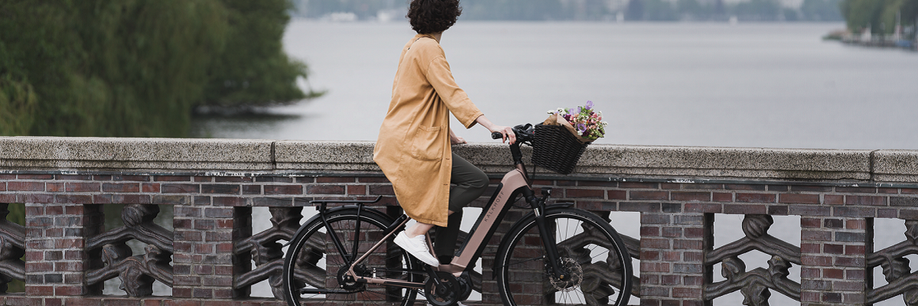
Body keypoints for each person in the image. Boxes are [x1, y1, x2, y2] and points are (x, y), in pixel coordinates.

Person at [373, 0, 516, 267]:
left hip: (402, 138)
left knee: (451, 203)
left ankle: (445, 269)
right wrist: (490, 125)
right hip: (412, 144)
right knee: (476, 181)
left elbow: (415, 96)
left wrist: (445, 130)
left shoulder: (413, 45)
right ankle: (415, 232)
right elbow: (452, 93)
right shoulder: (430, 49)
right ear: (449, 17)